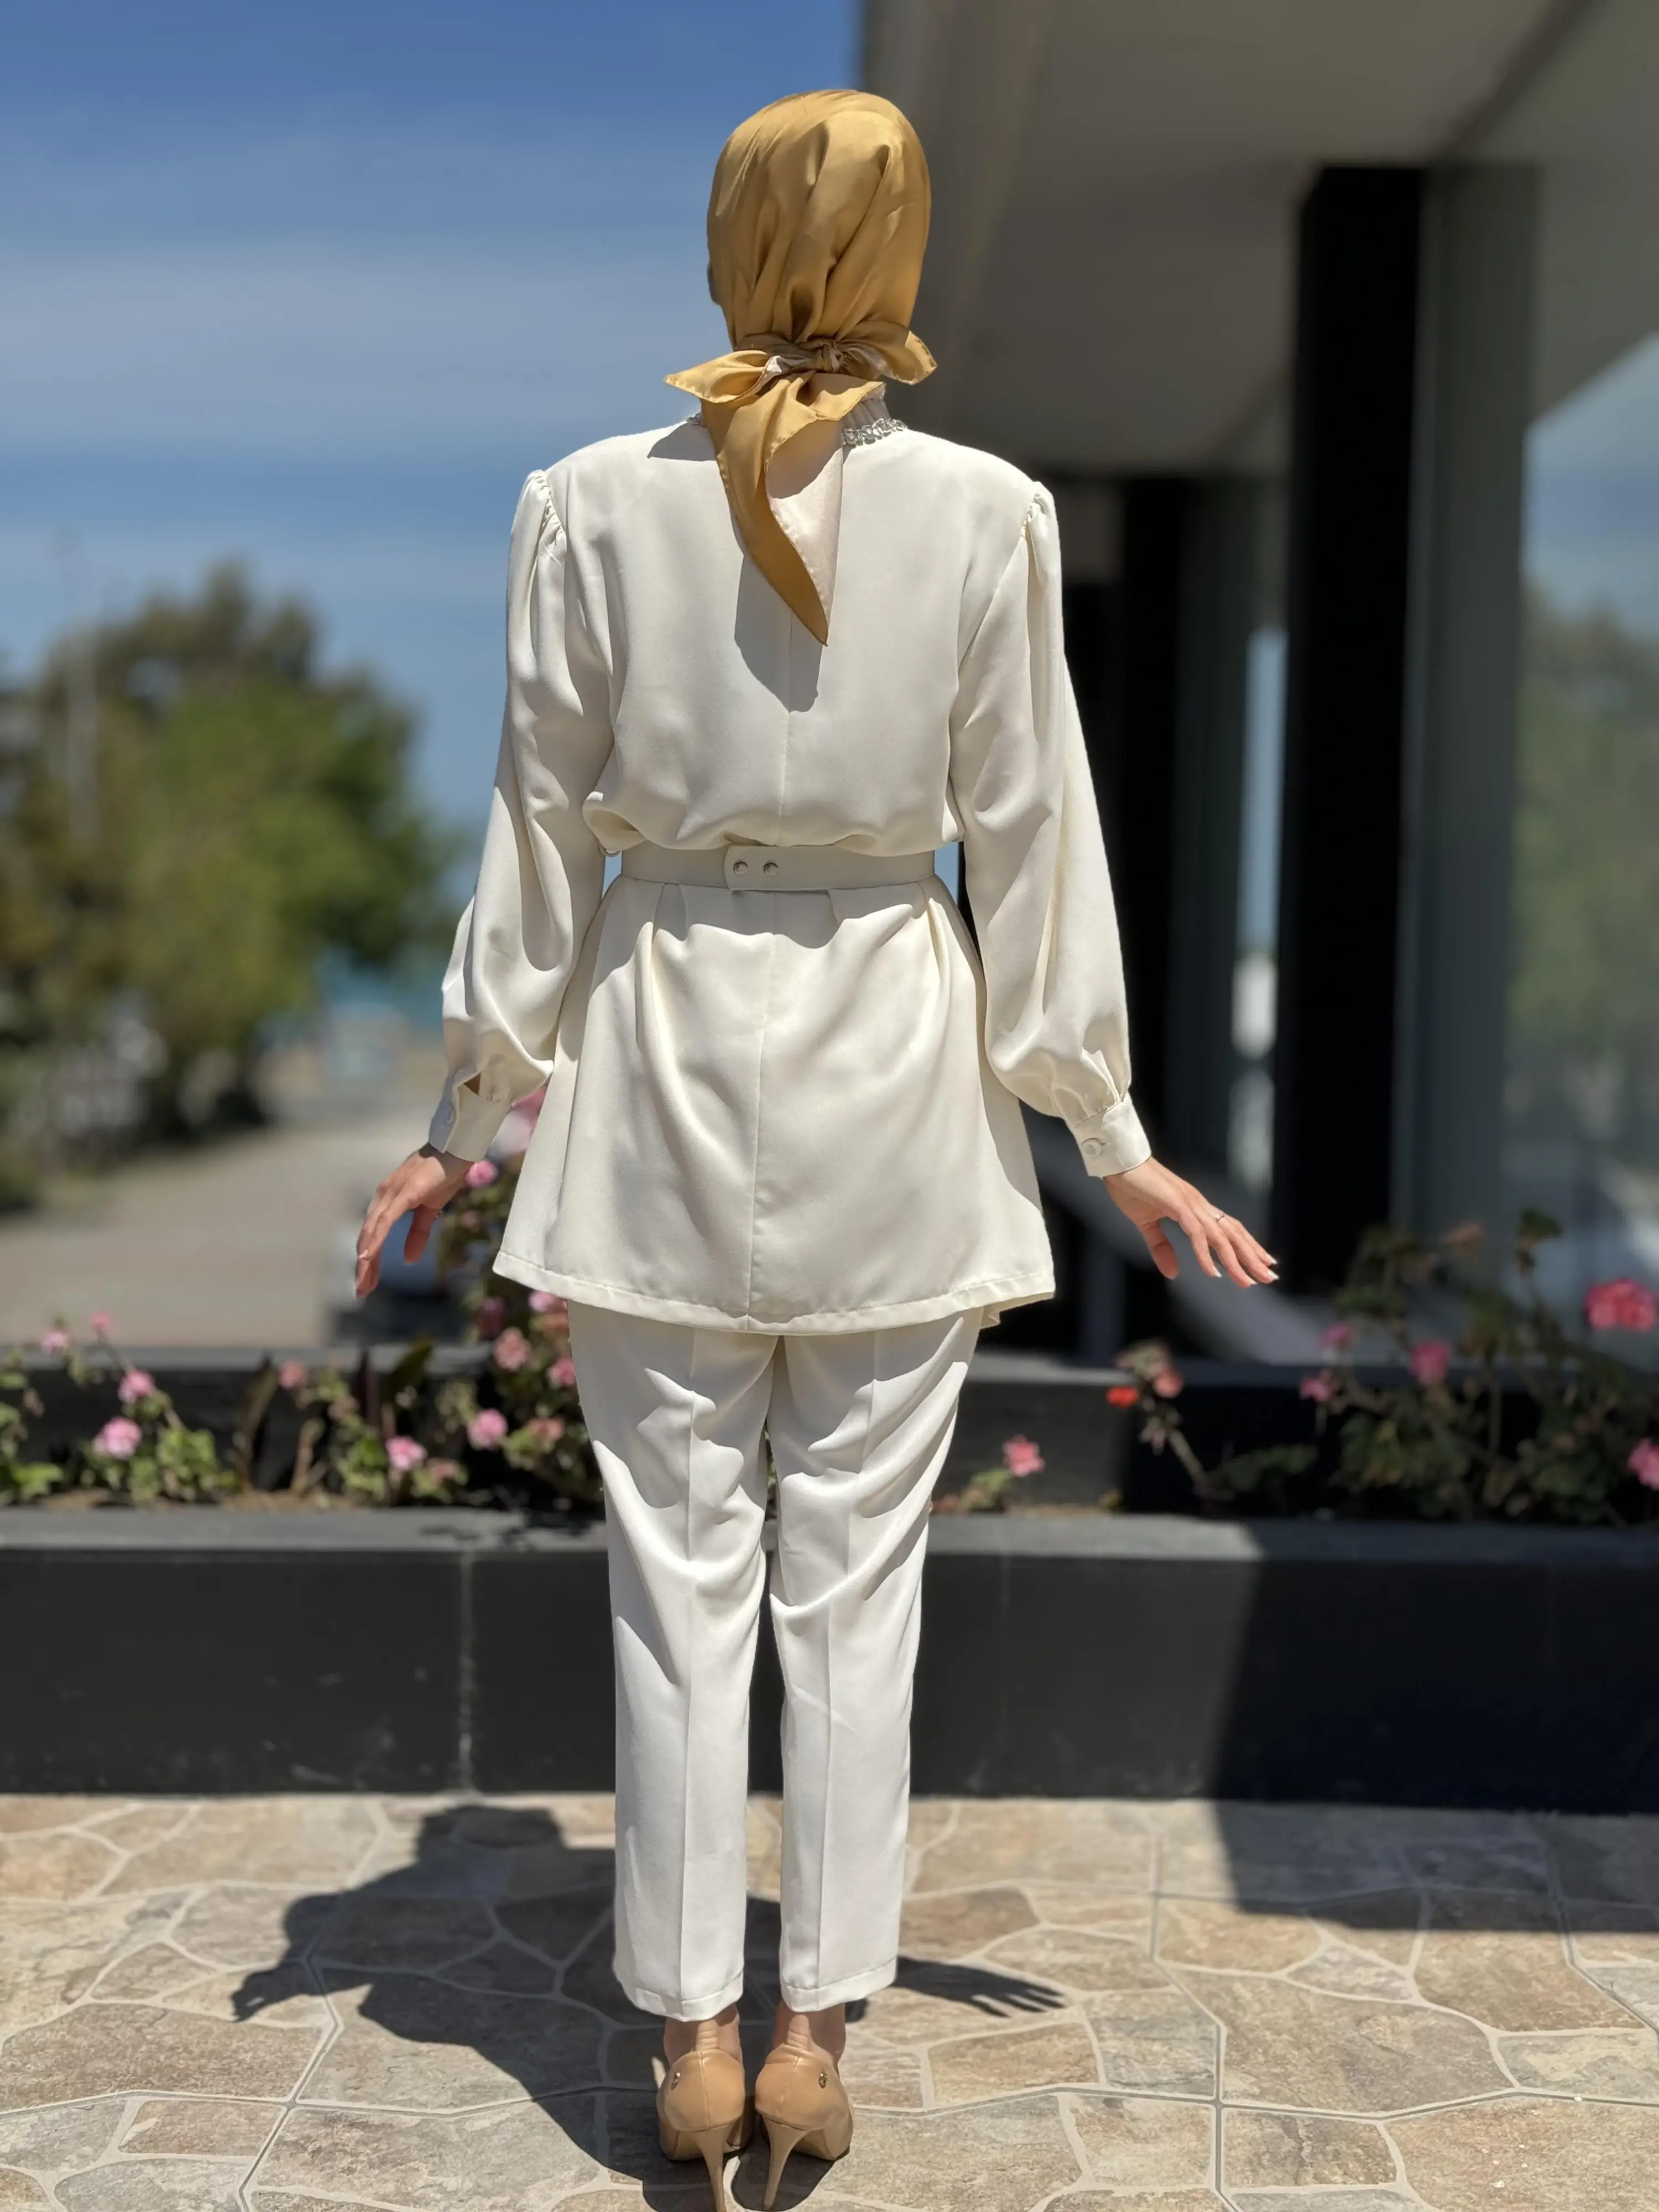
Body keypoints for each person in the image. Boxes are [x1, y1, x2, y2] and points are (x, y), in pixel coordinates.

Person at [356, 87, 1276, 2212]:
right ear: (903, 248)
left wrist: (464, 1115)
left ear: (731, 240)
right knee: (859, 1591)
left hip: (662, 1054)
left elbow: (539, 829)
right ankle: (817, 2034)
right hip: (891, 1058)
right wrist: (1110, 1131)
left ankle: (692, 2041)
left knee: (677, 1585)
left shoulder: (584, 503)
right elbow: (1032, 829)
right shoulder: (988, 511)